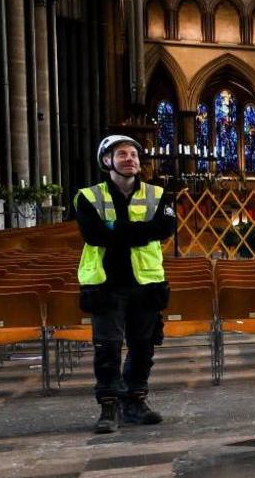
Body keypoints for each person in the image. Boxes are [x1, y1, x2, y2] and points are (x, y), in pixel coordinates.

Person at [72, 134, 177, 434]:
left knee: (143, 347)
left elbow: (166, 228)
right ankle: (109, 408)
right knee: (107, 347)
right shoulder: (88, 197)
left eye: (134, 154)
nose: (130, 159)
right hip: (105, 283)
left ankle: (135, 402)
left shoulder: (158, 194)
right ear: (107, 161)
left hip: (146, 282)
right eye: (122, 154)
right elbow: (94, 235)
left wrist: (118, 230)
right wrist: (141, 231)